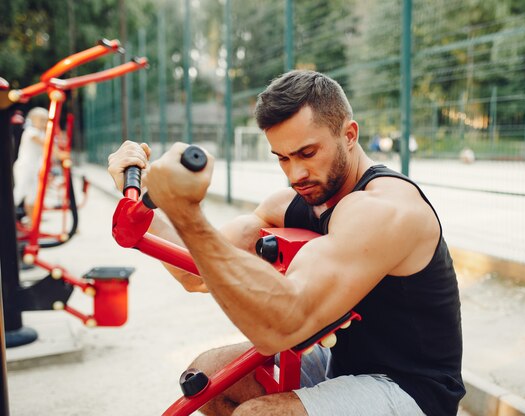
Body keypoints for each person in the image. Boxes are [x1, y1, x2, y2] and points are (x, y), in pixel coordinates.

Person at [107, 70, 465, 416]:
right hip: (343, 362)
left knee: (259, 415)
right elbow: (197, 269)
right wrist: (140, 202)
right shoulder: (297, 201)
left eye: (307, 154)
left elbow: (281, 329)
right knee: (206, 375)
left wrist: (188, 214)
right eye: (283, 158)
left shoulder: (385, 209)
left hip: (411, 389)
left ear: (350, 135)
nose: (295, 174)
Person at [13, 107, 49, 223]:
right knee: (19, 193)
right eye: (41, 120)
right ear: (32, 120)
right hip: (25, 167)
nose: (44, 123)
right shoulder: (31, 131)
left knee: (31, 196)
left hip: (33, 168)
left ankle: (32, 222)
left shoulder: (41, 133)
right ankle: (6, 218)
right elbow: (46, 144)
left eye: (45, 121)